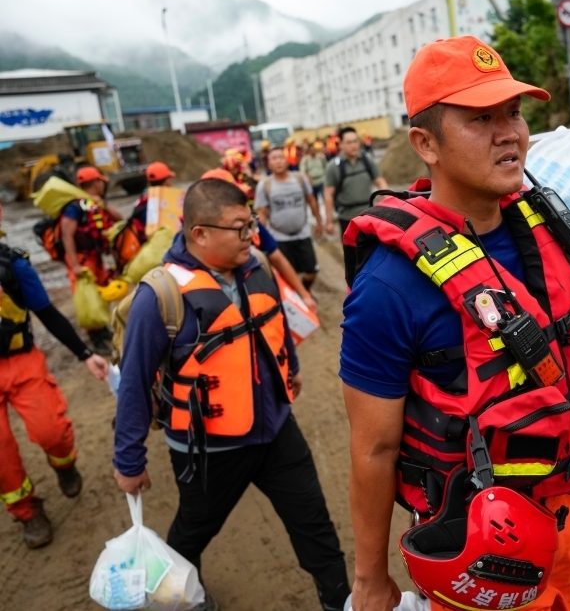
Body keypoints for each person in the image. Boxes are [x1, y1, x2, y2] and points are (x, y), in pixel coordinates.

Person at [339, 36, 570, 611]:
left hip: (566, 519)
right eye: (481, 119)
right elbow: (373, 448)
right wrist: (370, 577)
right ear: (425, 144)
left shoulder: (550, 220)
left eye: (514, 113)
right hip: (478, 544)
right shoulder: (388, 288)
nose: (510, 133)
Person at [113, 179, 350, 611]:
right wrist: (128, 461)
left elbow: (275, 322)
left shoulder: (256, 266)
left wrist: (292, 369)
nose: (251, 235)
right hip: (207, 450)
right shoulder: (160, 295)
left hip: (277, 431)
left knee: (315, 525)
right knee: (193, 532)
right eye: (240, 228)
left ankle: (339, 601)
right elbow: (133, 381)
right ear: (200, 233)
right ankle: (187, 597)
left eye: (251, 223)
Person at [0, 202, 109, 549]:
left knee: (52, 430)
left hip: (21, 361)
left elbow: (47, 313)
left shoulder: (13, 266)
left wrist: (85, 354)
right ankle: (26, 510)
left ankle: (64, 465)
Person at [200, 168, 317, 311]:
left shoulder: (253, 226)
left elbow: (277, 257)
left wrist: (304, 294)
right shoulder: (188, 252)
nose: (249, 234)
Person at [64, 166, 124, 354]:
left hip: (95, 256)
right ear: (96, 182)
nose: (103, 185)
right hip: (81, 259)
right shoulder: (74, 207)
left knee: (102, 291)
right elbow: (67, 235)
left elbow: (120, 219)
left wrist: (103, 205)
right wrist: (75, 265)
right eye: (101, 181)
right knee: (88, 298)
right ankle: (94, 336)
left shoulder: (95, 204)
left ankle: (102, 329)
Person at [255, 148, 323, 292]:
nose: (278, 161)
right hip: (280, 238)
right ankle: (299, 296)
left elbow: (311, 200)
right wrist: (261, 239)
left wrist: (319, 221)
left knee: (312, 272)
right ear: (268, 164)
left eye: (281, 157)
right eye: (274, 158)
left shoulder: (300, 179)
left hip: (303, 234)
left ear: (287, 161)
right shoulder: (264, 185)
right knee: (287, 275)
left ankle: (304, 291)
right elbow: (262, 213)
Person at [323, 126, 389, 242]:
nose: (353, 145)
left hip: (369, 215)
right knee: (352, 251)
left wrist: (387, 199)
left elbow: (380, 181)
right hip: (348, 219)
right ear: (340, 144)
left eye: (355, 141)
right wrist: (329, 221)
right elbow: (328, 195)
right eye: (349, 142)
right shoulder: (333, 167)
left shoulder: (366, 160)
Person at [299, 140, 327, 208]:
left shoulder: (320, 157)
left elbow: (326, 166)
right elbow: (302, 171)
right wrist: (307, 177)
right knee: (314, 200)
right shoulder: (305, 159)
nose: (313, 151)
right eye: (311, 150)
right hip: (312, 183)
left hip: (321, 180)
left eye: (314, 149)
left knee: (325, 198)